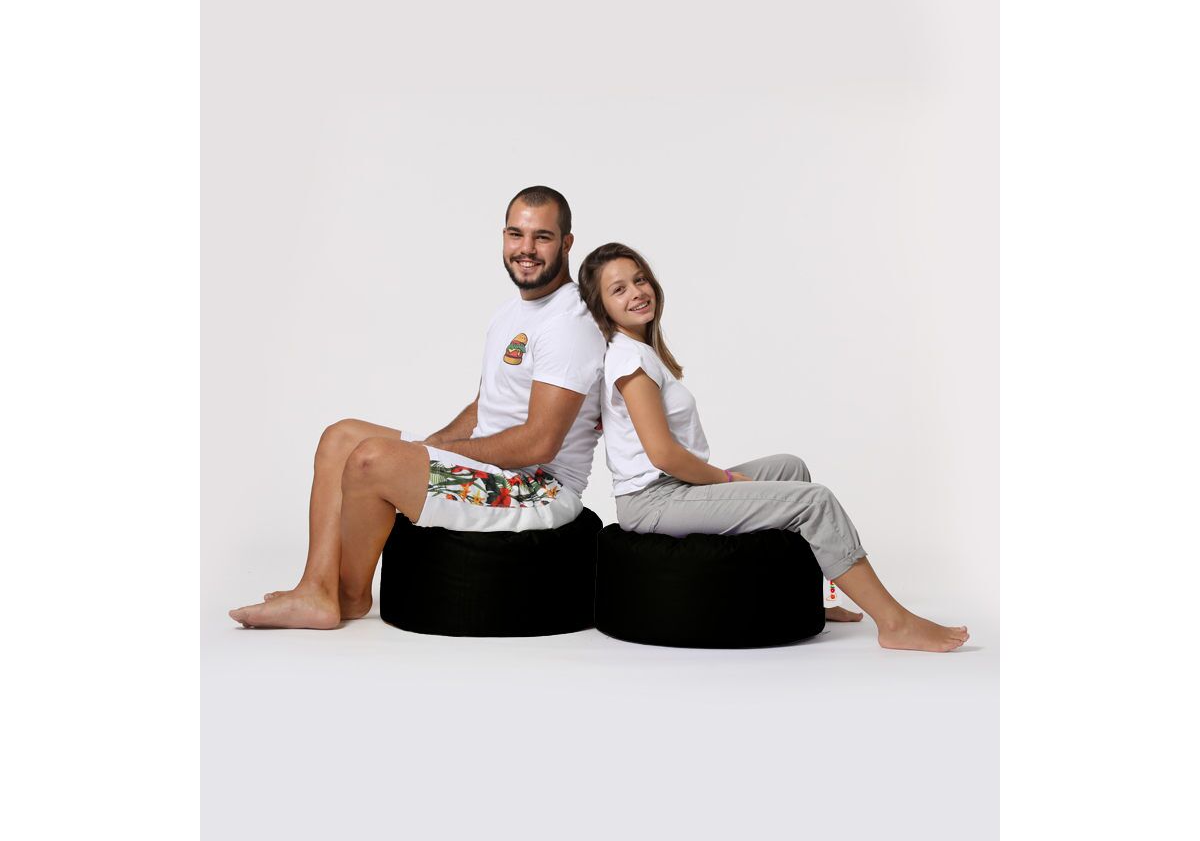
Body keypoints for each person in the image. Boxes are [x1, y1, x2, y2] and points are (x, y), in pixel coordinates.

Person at [229, 186, 606, 629]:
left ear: (566, 243)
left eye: (542, 237)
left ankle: (348, 596)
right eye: (515, 234)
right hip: (497, 469)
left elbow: (539, 443)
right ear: (503, 236)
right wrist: (432, 444)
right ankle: (316, 589)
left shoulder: (569, 323)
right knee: (341, 437)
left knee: (371, 460)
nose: (526, 248)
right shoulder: (510, 314)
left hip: (539, 488)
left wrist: (434, 455)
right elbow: (484, 406)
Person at [577, 242, 969, 652]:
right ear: (602, 308)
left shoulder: (640, 352)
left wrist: (723, 480)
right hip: (654, 500)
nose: (637, 292)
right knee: (815, 502)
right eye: (619, 289)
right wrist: (726, 480)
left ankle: (808, 599)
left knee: (789, 467)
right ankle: (893, 622)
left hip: (672, 487)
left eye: (640, 279)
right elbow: (664, 455)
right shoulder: (629, 361)